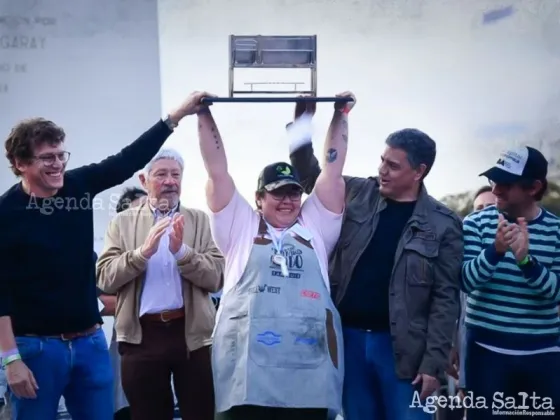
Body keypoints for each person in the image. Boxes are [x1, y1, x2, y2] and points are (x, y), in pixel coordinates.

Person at [0, 91, 211, 420]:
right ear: (20, 164)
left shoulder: (78, 185)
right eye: (47, 158)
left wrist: (177, 115)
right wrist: (11, 359)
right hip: (36, 349)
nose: (57, 165)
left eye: (60, 155)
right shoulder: (6, 213)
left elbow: (128, 159)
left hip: (90, 344)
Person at [288, 104, 463, 420]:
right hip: (348, 342)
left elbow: (445, 301)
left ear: (419, 171)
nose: (382, 169)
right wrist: (302, 123)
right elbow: (312, 176)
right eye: (382, 160)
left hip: (404, 355)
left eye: (393, 166)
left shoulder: (444, 223)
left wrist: (433, 365)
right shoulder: (357, 192)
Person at [202, 92, 355, 420]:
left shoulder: (316, 226)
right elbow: (217, 171)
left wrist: (340, 114)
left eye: (294, 193)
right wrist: (203, 115)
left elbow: (332, 171)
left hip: (309, 373)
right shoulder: (240, 227)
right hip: (247, 377)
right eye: (277, 194)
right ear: (259, 198)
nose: (288, 201)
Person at [96, 148, 223, 420]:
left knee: (201, 413)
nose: (170, 181)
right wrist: (141, 254)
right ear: (144, 181)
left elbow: (215, 278)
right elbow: (105, 277)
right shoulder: (122, 223)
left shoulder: (199, 219)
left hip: (192, 336)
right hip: (141, 337)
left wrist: (183, 253)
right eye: (161, 174)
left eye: (175, 174)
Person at [461, 146, 560, 420]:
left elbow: (556, 294)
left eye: (506, 184)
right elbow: (465, 281)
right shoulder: (475, 224)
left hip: (542, 353)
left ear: (534, 187)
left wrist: (526, 261)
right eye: (494, 181)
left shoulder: (556, 231)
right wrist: (495, 251)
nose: (496, 191)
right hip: (485, 351)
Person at [99, 187, 148, 420]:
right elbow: (104, 302)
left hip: (165, 346)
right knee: (126, 408)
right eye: (137, 211)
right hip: (127, 345)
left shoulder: (169, 248)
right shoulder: (113, 256)